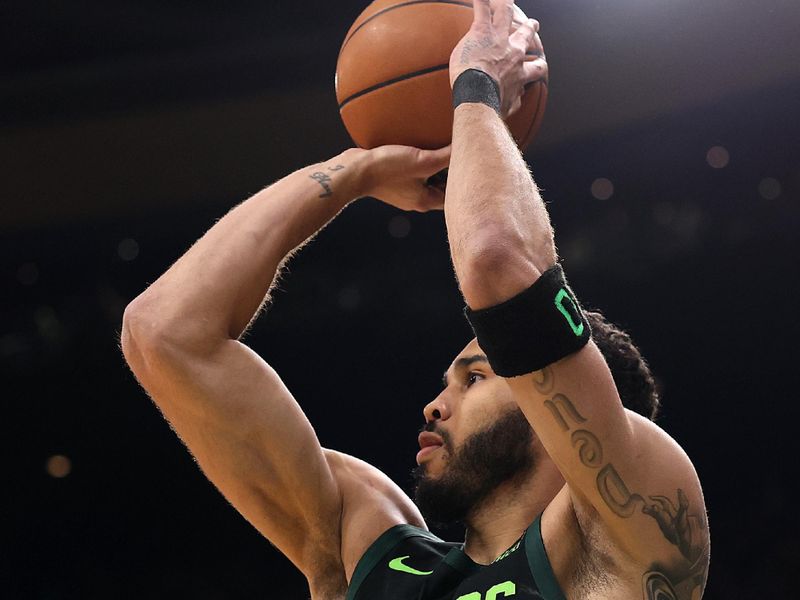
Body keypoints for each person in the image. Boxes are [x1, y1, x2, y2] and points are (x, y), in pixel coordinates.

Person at [121, 1, 709, 598]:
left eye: (474, 379)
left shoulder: (624, 540)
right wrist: (352, 174)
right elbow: (164, 331)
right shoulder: (372, 551)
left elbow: (496, 259)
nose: (433, 405)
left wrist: (475, 88)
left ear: (556, 401)